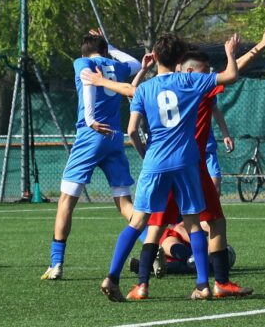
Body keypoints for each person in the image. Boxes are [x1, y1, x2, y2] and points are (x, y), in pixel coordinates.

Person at [99, 32, 239, 302]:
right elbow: (230, 75)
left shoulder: (144, 89)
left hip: (155, 162)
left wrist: (145, 154)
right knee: (194, 224)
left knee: (139, 222)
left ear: (156, 57)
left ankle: (113, 277)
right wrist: (230, 52)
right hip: (185, 161)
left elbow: (131, 130)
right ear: (180, 59)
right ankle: (202, 285)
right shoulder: (189, 80)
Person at [41, 34, 142, 280]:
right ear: (105, 50)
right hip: (115, 137)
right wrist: (112, 46)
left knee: (66, 200)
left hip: (91, 134)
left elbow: (87, 85)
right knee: (124, 201)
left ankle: (56, 263)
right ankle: (155, 244)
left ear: (84, 51)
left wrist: (90, 120)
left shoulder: (82, 63)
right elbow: (137, 64)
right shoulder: (116, 66)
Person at [207, 106, 233, 196]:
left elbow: (214, 109)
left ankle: (211, 210)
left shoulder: (206, 92)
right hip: (188, 150)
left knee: (215, 189)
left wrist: (226, 134)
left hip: (208, 149)